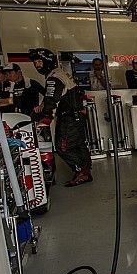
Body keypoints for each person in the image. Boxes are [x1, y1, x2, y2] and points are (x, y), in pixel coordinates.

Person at [29, 48, 92, 187]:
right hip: (76, 116)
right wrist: (43, 104)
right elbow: (54, 96)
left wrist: (45, 118)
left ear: (47, 61)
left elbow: (51, 100)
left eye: (39, 61)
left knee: (63, 148)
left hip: (68, 118)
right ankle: (85, 172)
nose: (37, 65)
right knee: (79, 145)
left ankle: (82, 171)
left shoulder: (54, 77)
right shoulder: (60, 73)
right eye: (35, 62)